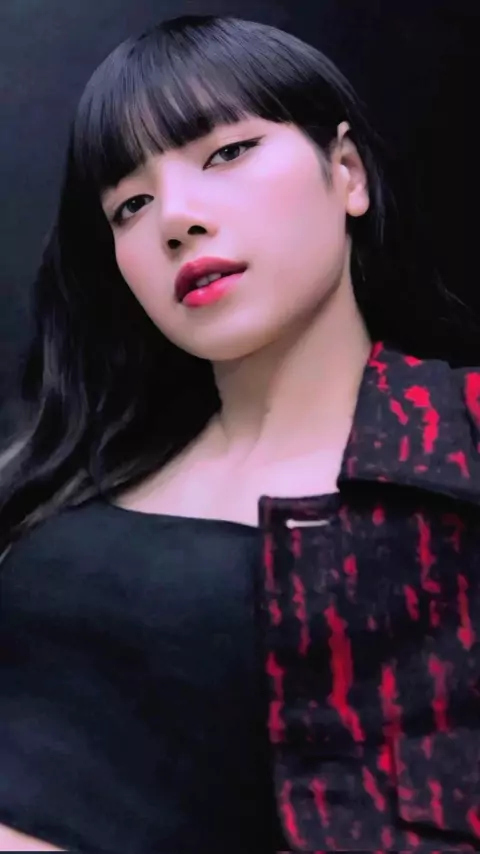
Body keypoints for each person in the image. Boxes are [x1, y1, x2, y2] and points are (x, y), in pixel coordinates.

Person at [0, 11, 479, 853]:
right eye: (130, 204)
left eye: (227, 153)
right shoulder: (77, 463)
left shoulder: (457, 438)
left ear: (347, 172)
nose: (175, 218)